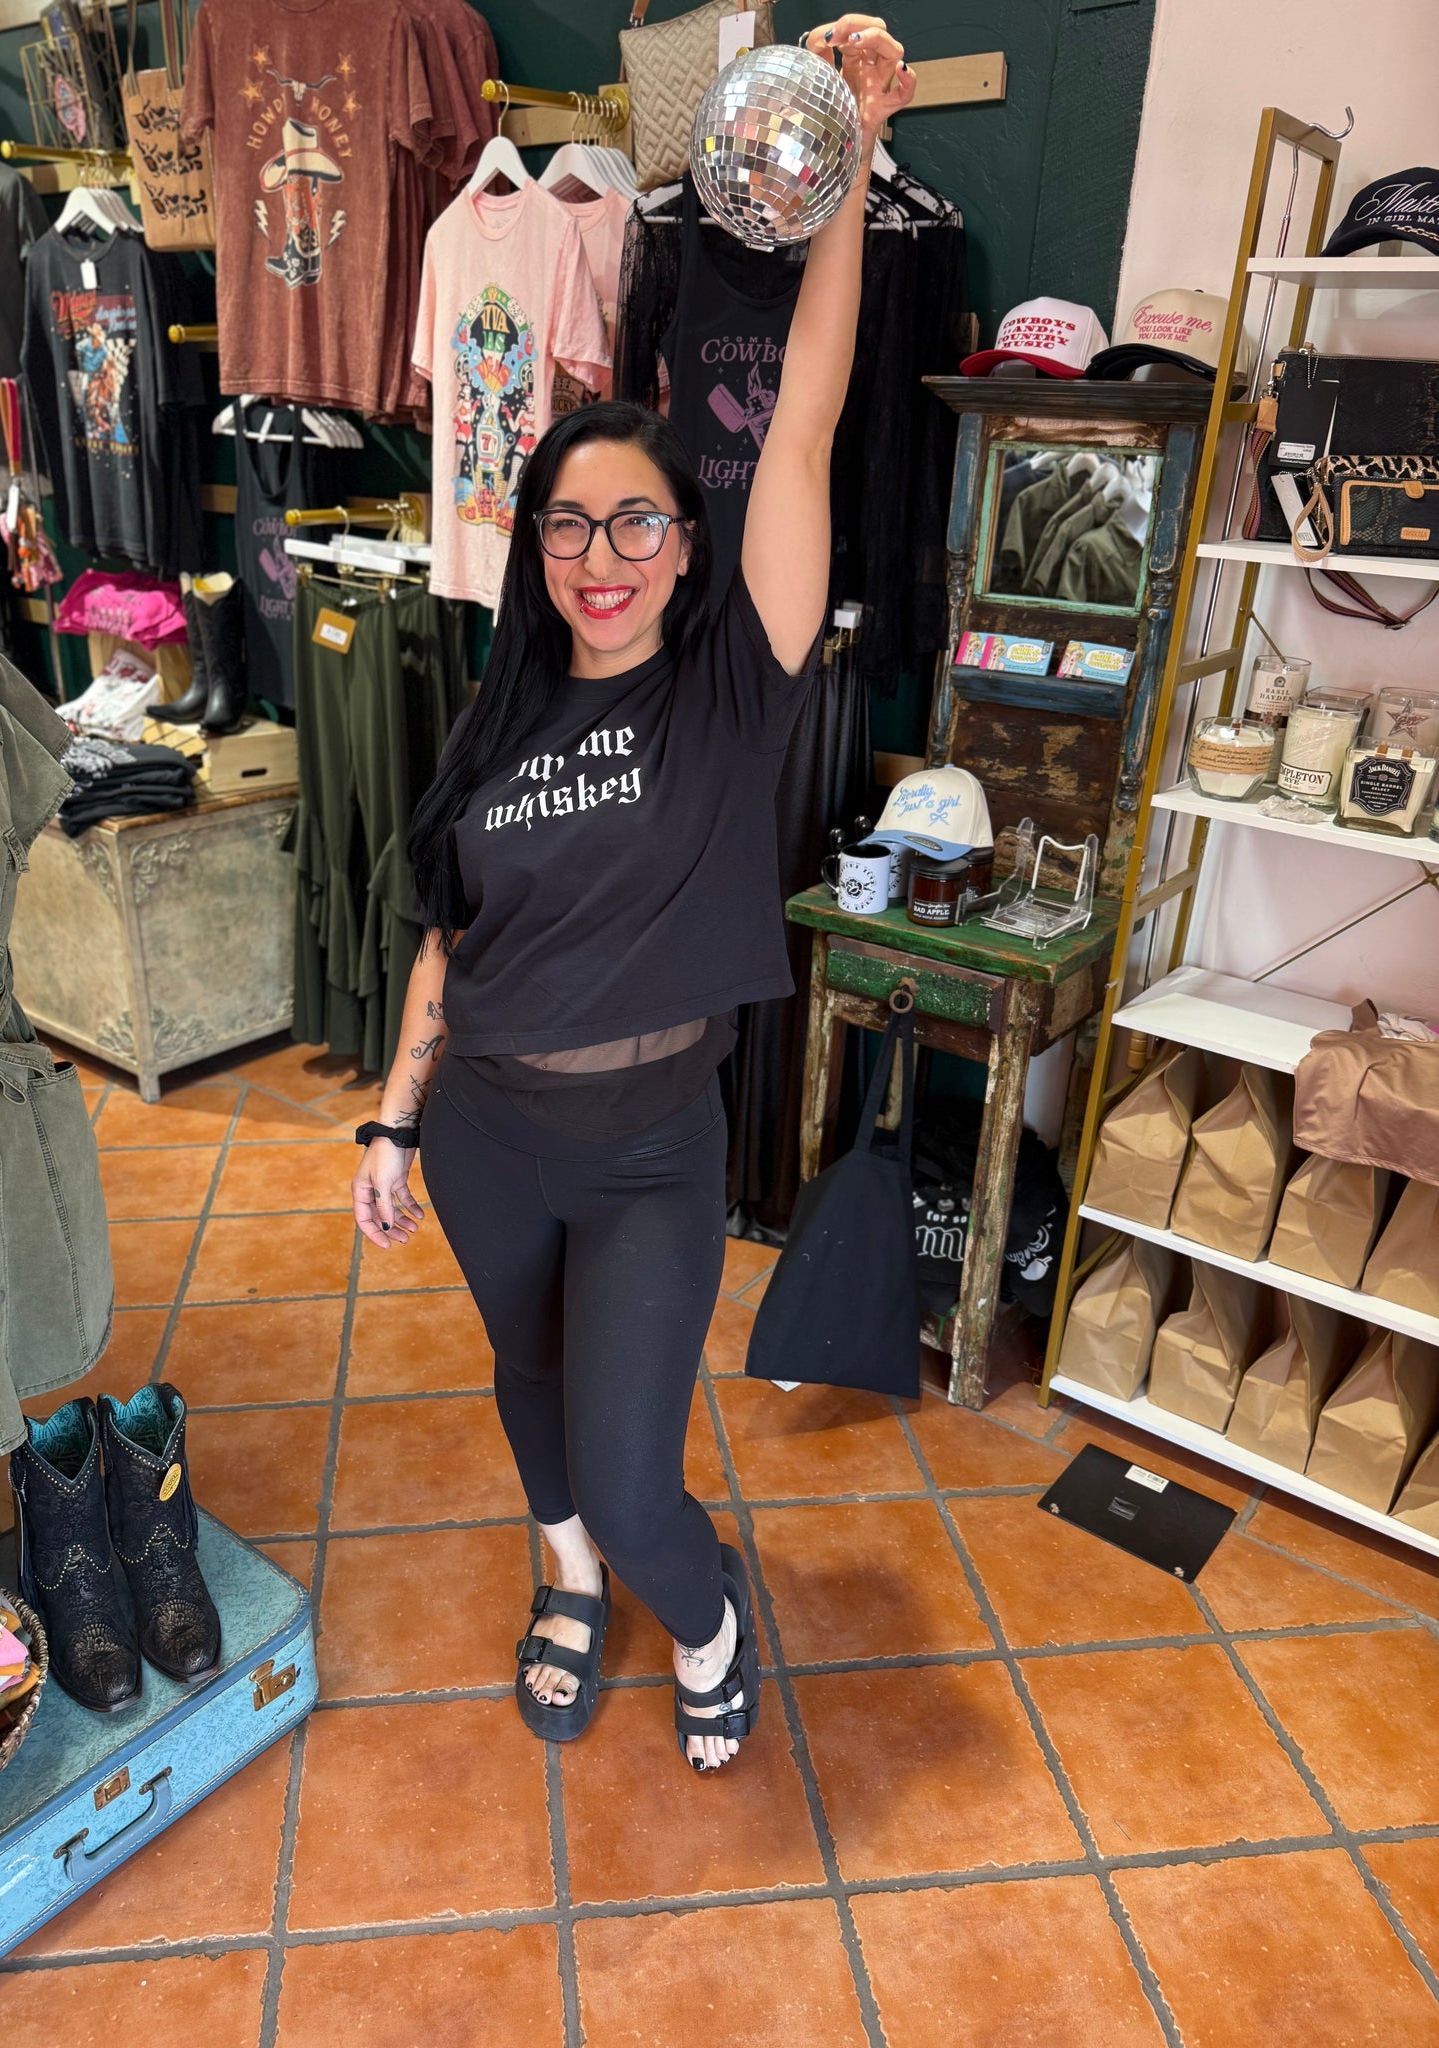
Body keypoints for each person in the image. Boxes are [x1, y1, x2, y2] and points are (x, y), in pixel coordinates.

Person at [351, 17, 914, 1772]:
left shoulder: (734, 683)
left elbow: (803, 423)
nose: (602, 558)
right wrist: (395, 1121)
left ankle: (708, 1613)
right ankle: (572, 1585)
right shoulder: (501, 712)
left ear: (687, 543)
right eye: (569, 527)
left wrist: (850, 170)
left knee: (628, 1463)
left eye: (638, 523)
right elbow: (457, 932)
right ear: (536, 552)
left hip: (653, 1145)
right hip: (486, 1134)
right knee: (530, 1392)